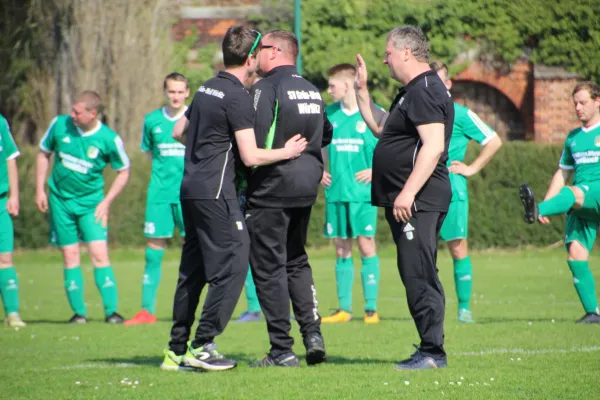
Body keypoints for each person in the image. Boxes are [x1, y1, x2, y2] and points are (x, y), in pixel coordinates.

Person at [160, 26, 307, 372]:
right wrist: (286, 151)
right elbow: (251, 156)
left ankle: (175, 351)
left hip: (191, 188)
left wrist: (207, 151)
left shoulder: (206, 87)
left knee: (192, 272)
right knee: (234, 263)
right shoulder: (237, 96)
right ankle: (204, 344)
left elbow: (178, 132)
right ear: (251, 57)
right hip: (215, 193)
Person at [355, 25, 454, 370]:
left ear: (407, 53)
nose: (384, 59)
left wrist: (408, 192)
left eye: (388, 53)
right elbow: (384, 130)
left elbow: (434, 145)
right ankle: (430, 348)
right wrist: (362, 93)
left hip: (419, 200)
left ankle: (432, 353)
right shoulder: (410, 91)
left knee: (418, 272)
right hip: (411, 201)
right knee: (415, 269)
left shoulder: (425, 89)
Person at [245, 29, 333, 367]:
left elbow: (253, 138)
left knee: (268, 268)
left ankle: (281, 349)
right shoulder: (312, 88)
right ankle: (313, 334)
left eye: (260, 48)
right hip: (306, 186)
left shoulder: (265, 88)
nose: (256, 54)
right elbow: (326, 133)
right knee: (296, 260)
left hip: (272, 187)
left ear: (276, 51)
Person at [35, 91, 130, 324]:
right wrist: (39, 189)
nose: (72, 115)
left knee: (99, 254)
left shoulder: (108, 138)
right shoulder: (59, 125)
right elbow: (43, 154)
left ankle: (111, 312)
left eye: (77, 112)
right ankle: (79, 314)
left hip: (91, 205)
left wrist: (106, 202)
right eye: (72, 110)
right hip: (60, 202)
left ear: (92, 113)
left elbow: (124, 171)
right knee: (70, 255)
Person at [520, 81, 600, 324]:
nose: (578, 108)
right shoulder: (573, 138)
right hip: (581, 199)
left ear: (598, 102)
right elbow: (562, 172)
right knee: (575, 253)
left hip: (592, 191)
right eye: (575, 103)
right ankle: (593, 313)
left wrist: (541, 207)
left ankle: (536, 210)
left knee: (572, 193)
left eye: (583, 102)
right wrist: (547, 202)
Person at [430, 61, 503, 323]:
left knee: (458, 249)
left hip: (452, 189)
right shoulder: (420, 112)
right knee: (423, 252)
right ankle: (430, 307)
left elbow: (494, 140)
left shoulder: (461, 114)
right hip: (422, 189)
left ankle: (464, 308)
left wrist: (471, 168)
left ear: (448, 85)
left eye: (438, 81)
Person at [124, 73, 190, 326]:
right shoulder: (151, 120)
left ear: (187, 92)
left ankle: (188, 309)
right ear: (165, 92)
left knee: (193, 250)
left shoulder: (194, 118)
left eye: (180, 91)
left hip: (188, 195)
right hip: (159, 196)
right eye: (171, 91)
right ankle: (146, 311)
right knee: (153, 252)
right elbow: (151, 155)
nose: (175, 96)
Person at [320, 63, 381, 324]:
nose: (329, 90)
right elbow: (317, 144)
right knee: (341, 248)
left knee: (366, 245)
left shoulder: (373, 114)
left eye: (332, 85)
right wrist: (320, 170)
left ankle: (371, 309)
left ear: (346, 85)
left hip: (363, 195)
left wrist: (376, 171)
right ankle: (344, 309)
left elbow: (392, 148)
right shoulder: (328, 114)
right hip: (336, 192)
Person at [0, 114, 25, 328]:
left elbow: (10, 158)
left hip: (1, 203)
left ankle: (12, 313)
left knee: (5, 259)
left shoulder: (0, 122)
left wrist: (14, 195)